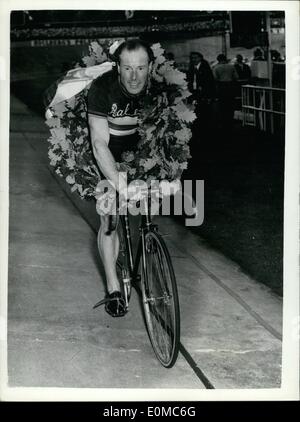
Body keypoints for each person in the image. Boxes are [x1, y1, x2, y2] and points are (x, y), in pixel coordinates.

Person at [87, 39, 154, 317]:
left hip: (139, 151)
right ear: (117, 67)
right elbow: (99, 143)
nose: (134, 76)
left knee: (150, 205)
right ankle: (114, 288)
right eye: (127, 68)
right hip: (106, 152)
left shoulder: (161, 91)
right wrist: (117, 181)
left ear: (151, 67)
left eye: (140, 68)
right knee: (110, 217)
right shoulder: (103, 88)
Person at [213, 54, 239, 132]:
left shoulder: (216, 67)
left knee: (222, 105)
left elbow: (215, 78)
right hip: (230, 87)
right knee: (231, 104)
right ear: (225, 59)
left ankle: (223, 122)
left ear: (218, 60)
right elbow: (236, 77)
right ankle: (230, 121)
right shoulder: (231, 66)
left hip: (221, 87)